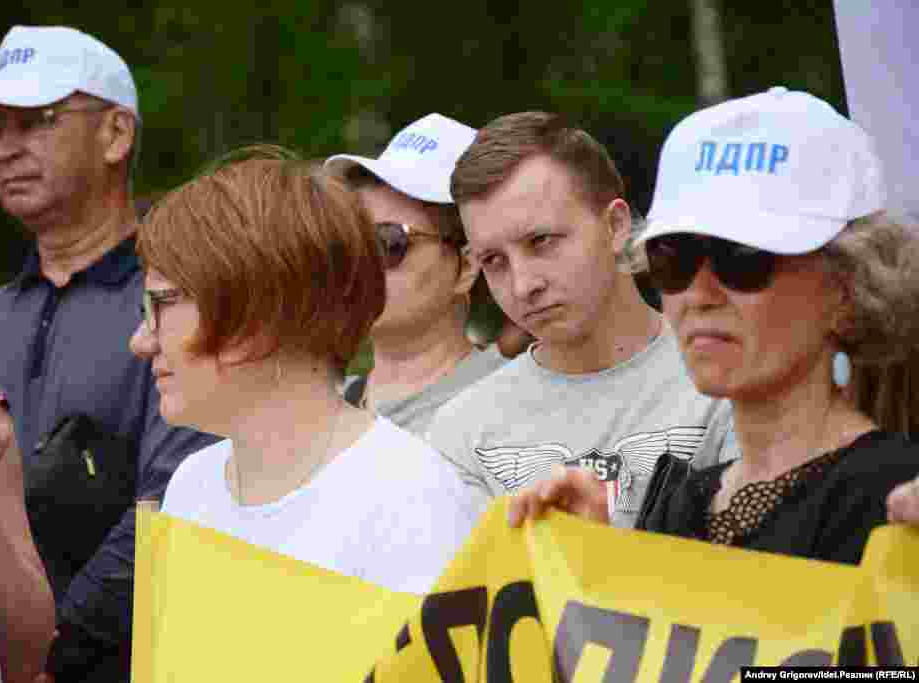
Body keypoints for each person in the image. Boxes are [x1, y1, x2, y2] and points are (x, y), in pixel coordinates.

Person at [508, 87, 919, 566]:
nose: (699, 294)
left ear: (848, 289)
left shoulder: (897, 505)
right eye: (674, 258)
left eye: (743, 258)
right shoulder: (678, 507)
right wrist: (598, 564)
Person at [0, 25, 217, 681]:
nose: (7, 147)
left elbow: (176, 502)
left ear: (116, 133)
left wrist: (53, 654)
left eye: (37, 120)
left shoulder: (184, 301)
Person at [127, 146, 482, 594]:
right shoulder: (192, 485)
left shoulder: (414, 500)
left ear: (256, 315)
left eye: (162, 303)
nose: (141, 341)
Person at [425, 111, 735, 528]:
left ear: (616, 225)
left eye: (541, 241)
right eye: (494, 260)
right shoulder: (462, 431)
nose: (523, 284)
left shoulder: (728, 382)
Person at [324, 114, 506, 435]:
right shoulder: (320, 412)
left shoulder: (514, 409)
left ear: (467, 266)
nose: (359, 263)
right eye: (349, 241)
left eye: (388, 242)